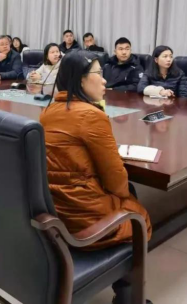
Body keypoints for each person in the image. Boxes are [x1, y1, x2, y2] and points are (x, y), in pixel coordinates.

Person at [40, 51, 152, 304]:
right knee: (139, 218)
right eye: (99, 74)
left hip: (56, 212)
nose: (104, 80)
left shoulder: (48, 111)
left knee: (127, 196)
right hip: (83, 219)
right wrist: (123, 197)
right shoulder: (91, 115)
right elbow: (116, 180)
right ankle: (127, 297)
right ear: (81, 79)